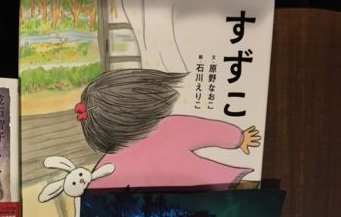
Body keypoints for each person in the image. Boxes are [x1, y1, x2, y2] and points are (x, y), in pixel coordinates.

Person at [76, 69, 261, 190]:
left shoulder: (106, 167)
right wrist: (239, 138)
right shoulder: (167, 127)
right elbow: (207, 130)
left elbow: (94, 195)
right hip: (216, 183)